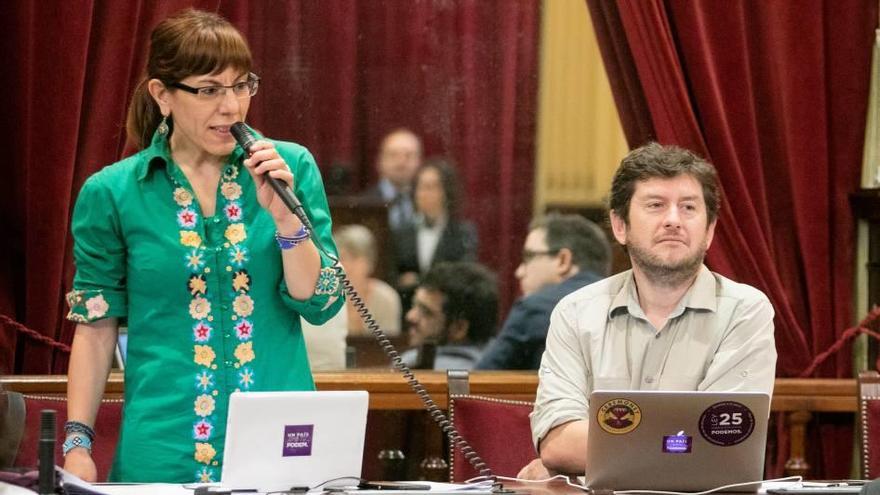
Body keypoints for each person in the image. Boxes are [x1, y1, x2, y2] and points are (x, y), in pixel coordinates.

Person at [62, 9, 344, 483]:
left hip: (280, 442)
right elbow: (95, 327)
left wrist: (284, 219)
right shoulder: (111, 192)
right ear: (162, 94)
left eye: (241, 86)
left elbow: (322, 303)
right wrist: (77, 443)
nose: (231, 107)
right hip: (164, 445)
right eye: (210, 90)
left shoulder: (288, 167)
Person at [519, 142, 777, 478]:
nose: (673, 220)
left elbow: (723, 449)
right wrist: (678, 444)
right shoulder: (575, 312)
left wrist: (600, 451)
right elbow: (559, 446)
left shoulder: (745, 312)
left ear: (710, 230)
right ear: (619, 226)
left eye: (688, 207)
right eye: (656, 205)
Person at [476, 213, 611, 370]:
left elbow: (479, 382)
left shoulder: (534, 308)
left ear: (563, 260)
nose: (519, 272)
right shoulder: (631, 304)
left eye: (528, 257)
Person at [392, 159, 478, 295]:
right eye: (420, 187)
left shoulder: (463, 232)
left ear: (446, 191)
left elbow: (464, 276)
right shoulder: (402, 232)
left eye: (431, 187)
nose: (424, 194)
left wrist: (421, 281)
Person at [400, 262, 497, 370]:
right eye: (414, 305)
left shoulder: (415, 365)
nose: (410, 316)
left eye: (425, 312)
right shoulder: (498, 360)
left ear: (459, 328)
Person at [335, 224, 402, 337]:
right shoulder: (328, 296)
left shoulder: (386, 298)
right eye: (341, 258)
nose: (346, 265)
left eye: (354, 258)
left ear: (368, 260)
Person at [363, 128, 423, 231]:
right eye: (393, 155)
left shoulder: (428, 201)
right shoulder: (364, 203)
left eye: (408, 155)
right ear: (379, 161)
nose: (401, 162)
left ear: (420, 161)